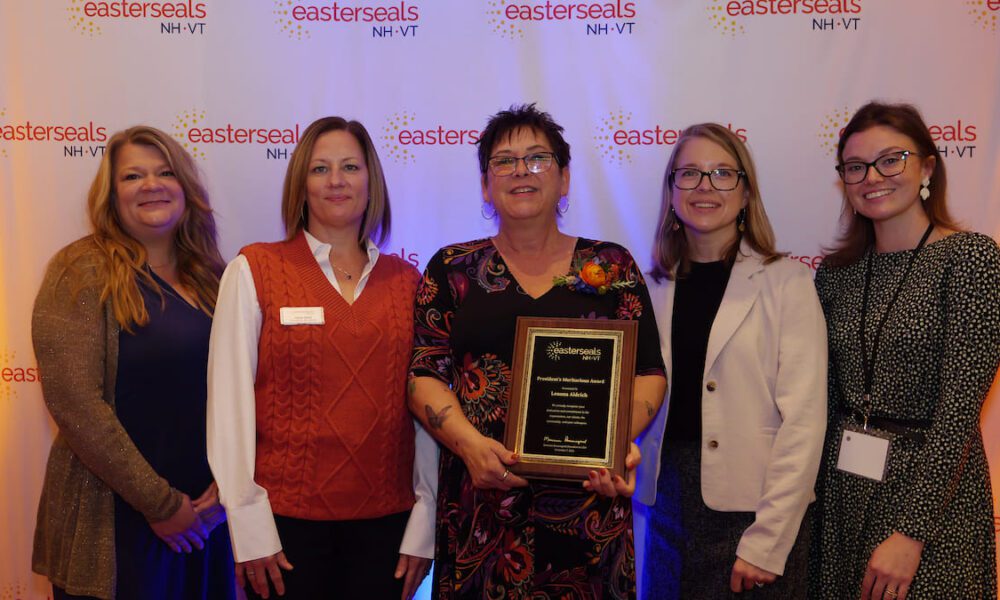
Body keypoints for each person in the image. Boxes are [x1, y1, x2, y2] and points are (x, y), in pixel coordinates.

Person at [407, 103, 667, 599]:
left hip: (590, 514)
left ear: (565, 178)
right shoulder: (451, 268)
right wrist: (468, 446)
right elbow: (423, 373)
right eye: (503, 161)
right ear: (485, 185)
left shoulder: (611, 265)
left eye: (538, 158)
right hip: (481, 512)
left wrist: (613, 444)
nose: (521, 171)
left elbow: (649, 372)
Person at [207, 116, 436, 600]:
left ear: (371, 182)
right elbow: (229, 406)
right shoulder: (255, 269)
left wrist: (425, 519)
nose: (336, 180)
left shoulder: (408, 283)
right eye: (320, 168)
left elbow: (426, 409)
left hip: (387, 530)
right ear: (300, 184)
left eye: (350, 166)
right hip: (285, 530)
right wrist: (248, 525)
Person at [31, 126, 234, 600]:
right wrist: (161, 505)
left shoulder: (214, 276)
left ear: (186, 187)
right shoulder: (80, 269)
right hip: (116, 519)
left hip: (205, 519)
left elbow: (250, 390)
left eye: (165, 172)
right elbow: (75, 402)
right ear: (111, 193)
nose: (151, 184)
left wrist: (227, 492)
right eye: (132, 176)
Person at [809, 101, 999, 600]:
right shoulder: (835, 275)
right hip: (845, 491)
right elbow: (823, 400)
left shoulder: (970, 259)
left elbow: (959, 411)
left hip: (932, 499)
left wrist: (912, 533)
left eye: (891, 160)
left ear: (928, 168)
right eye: (856, 167)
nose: (873, 176)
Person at [634, 123, 827, 599]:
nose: (705, 187)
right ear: (671, 192)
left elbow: (803, 422)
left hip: (754, 515)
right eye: (690, 174)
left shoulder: (787, 283)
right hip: (666, 505)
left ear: (745, 195)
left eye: (722, 173)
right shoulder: (648, 287)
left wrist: (768, 541)